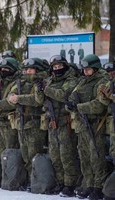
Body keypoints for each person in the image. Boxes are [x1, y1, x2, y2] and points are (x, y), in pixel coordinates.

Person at [65, 54, 109, 200]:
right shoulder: (82, 82)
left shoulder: (102, 82)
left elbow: (99, 105)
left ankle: (99, 187)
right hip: (82, 125)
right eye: (84, 69)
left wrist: (78, 107)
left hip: (96, 125)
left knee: (97, 157)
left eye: (88, 69)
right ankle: (89, 185)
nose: (85, 72)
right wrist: (71, 106)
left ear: (95, 68)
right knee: (84, 157)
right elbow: (72, 98)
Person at [37, 55, 79, 196]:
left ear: (65, 66)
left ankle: (70, 184)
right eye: (55, 67)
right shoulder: (48, 81)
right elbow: (39, 100)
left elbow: (63, 94)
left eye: (60, 66)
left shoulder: (71, 80)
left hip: (64, 121)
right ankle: (60, 182)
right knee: (55, 155)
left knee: (66, 155)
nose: (57, 69)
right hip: (51, 123)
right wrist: (39, 90)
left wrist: (46, 89)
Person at [6, 58, 48, 190]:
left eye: (30, 69)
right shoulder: (21, 82)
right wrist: (13, 98)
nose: (27, 72)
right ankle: (30, 180)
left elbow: (37, 100)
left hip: (34, 122)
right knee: (25, 154)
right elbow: (10, 97)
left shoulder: (41, 81)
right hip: (21, 123)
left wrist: (19, 98)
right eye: (25, 70)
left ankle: (36, 181)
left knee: (34, 154)